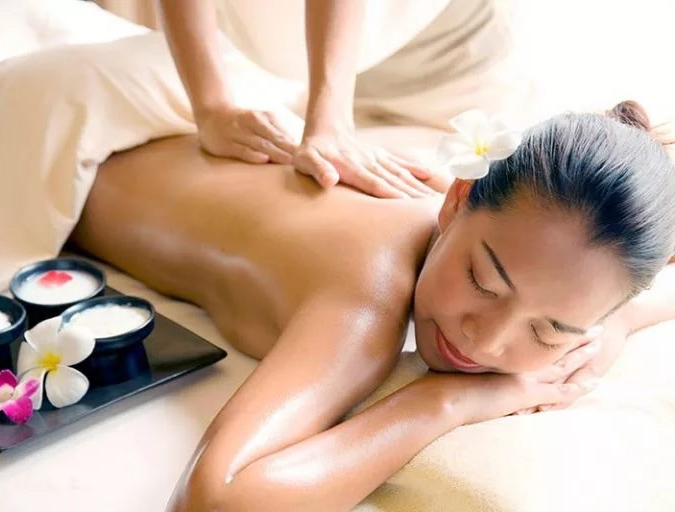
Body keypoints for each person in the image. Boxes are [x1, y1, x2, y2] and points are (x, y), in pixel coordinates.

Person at [69, 100, 675, 510]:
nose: (487, 342)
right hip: (88, 140)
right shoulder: (368, 291)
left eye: (548, 331)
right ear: (455, 199)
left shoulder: (513, 231)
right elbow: (215, 499)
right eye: (484, 283)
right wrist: (446, 400)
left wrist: (611, 326)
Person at [159, 0, 517, 199]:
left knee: (442, 201)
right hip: (324, 66)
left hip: (447, 58)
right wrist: (211, 108)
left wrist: (330, 123)